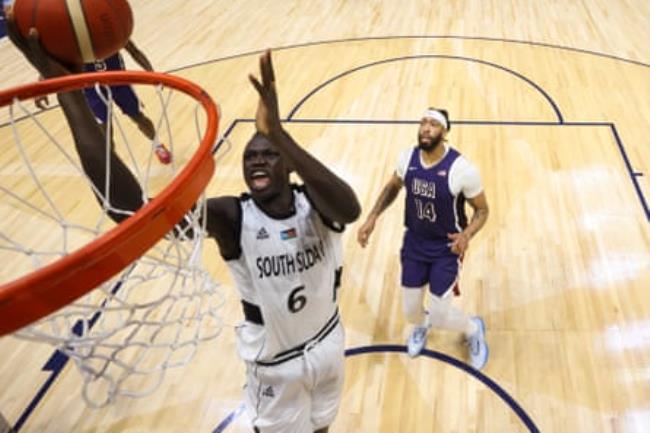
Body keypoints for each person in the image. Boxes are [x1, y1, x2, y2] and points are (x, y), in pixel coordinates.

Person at [6, 15, 360, 432]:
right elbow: (130, 212)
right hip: (277, 369)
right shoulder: (233, 216)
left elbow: (350, 209)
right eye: (250, 157)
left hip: (330, 346)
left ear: (289, 164)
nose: (257, 160)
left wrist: (278, 133)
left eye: (268, 153)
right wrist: (69, 94)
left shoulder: (317, 204)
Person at [357, 108, 490, 369]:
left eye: (433, 125)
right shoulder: (408, 158)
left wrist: (467, 234)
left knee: (440, 316)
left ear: (444, 132)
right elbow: (393, 187)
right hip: (415, 242)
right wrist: (372, 217)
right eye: (423, 123)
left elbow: (483, 210)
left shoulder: (462, 169)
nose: (426, 129)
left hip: (446, 248)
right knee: (411, 312)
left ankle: (473, 329)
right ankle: (421, 326)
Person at [35, 40, 172, 165]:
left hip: (119, 82)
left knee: (138, 118)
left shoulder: (110, 29)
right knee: (105, 131)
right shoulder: (72, 37)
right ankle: (114, 166)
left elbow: (134, 51)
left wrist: (152, 73)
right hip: (92, 89)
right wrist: (42, 87)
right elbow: (55, 61)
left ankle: (157, 145)